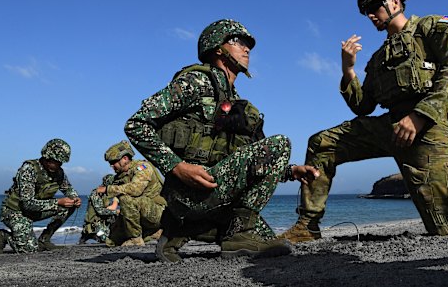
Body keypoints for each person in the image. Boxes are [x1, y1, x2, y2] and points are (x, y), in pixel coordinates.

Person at [280, 0, 448, 243]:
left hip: (430, 127)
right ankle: (307, 226)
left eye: (374, 8)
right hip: (392, 126)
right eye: (367, 12)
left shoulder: (433, 28)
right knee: (322, 143)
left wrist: (420, 116)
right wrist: (348, 69)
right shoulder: (379, 59)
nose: (371, 16)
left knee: (447, 226)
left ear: (395, 2)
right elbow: (363, 106)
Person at [124, 19, 319, 262]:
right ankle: (225, 231)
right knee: (281, 144)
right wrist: (177, 166)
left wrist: (291, 171)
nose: (247, 49)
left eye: (249, 45)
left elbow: (246, 163)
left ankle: (179, 229)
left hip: (215, 191)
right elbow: (136, 124)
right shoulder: (196, 82)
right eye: (239, 42)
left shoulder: (236, 103)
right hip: (189, 192)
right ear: (218, 48)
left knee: (271, 241)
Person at [0, 138, 81, 254]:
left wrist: (74, 198)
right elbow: (28, 203)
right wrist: (57, 202)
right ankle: (3, 236)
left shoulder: (59, 172)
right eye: (54, 161)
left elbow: (68, 188)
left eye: (59, 162)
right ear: (46, 157)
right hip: (16, 212)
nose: (56, 164)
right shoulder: (29, 169)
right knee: (29, 250)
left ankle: (44, 239)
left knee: (69, 205)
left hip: (35, 211)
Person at [95, 140, 166, 247]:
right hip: (141, 213)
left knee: (126, 199)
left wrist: (107, 189)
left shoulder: (142, 167)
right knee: (112, 242)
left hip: (158, 212)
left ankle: (136, 239)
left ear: (125, 159)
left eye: (113, 162)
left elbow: (135, 189)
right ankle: (152, 233)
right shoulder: (121, 176)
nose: (112, 166)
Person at [78, 173, 119, 244]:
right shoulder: (96, 193)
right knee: (108, 242)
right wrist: (116, 212)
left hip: (103, 222)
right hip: (95, 224)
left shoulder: (107, 194)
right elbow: (100, 211)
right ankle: (88, 233)